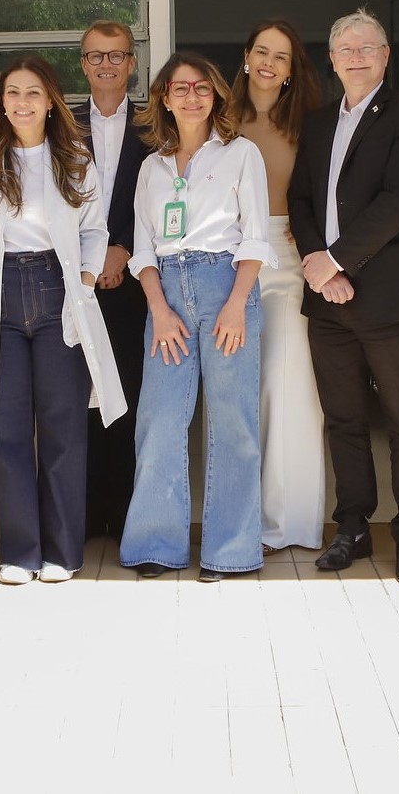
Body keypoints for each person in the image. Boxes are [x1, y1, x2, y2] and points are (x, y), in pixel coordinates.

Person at [0, 57, 125, 584]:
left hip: (59, 294)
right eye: (13, 93)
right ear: (1, 100)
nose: (23, 102)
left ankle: (62, 552)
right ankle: (20, 553)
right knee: (5, 429)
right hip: (1, 292)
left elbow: (96, 229)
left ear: (51, 100)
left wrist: (84, 277)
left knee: (63, 428)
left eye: (34, 92)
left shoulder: (74, 157)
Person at [289, 9, 399, 583]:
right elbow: (300, 199)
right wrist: (320, 268)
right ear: (331, 59)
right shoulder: (319, 121)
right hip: (327, 302)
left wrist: (339, 260)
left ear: (384, 54)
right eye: (345, 49)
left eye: (367, 47)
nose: (355, 56)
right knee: (343, 419)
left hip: (388, 300)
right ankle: (352, 526)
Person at [121, 52, 273, 581]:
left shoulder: (240, 154)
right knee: (160, 419)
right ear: (164, 98)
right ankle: (155, 545)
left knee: (232, 422)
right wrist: (159, 308)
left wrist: (237, 303)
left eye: (201, 87)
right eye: (180, 88)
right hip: (166, 293)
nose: (191, 96)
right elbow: (141, 247)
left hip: (226, 285)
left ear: (216, 96)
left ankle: (230, 552)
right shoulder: (151, 166)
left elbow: (256, 235)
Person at [227, 18, 326, 551]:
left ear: (292, 70)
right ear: (246, 57)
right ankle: (236, 518)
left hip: (287, 261)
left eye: (281, 56)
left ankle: (287, 524)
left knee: (289, 391)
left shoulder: (309, 125)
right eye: (261, 50)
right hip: (225, 263)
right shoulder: (220, 119)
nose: (268, 62)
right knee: (235, 398)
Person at [72, 20, 149, 540]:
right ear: (83, 64)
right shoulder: (61, 125)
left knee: (127, 396)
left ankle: (123, 510)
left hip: (133, 283)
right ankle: (80, 511)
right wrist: (91, 257)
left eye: (116, 56)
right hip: (73, 284)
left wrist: (123, 249)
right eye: (96, 56)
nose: (106, 65)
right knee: (77, 397)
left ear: (131, 63)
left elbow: (166, 197)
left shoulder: (155, 125)